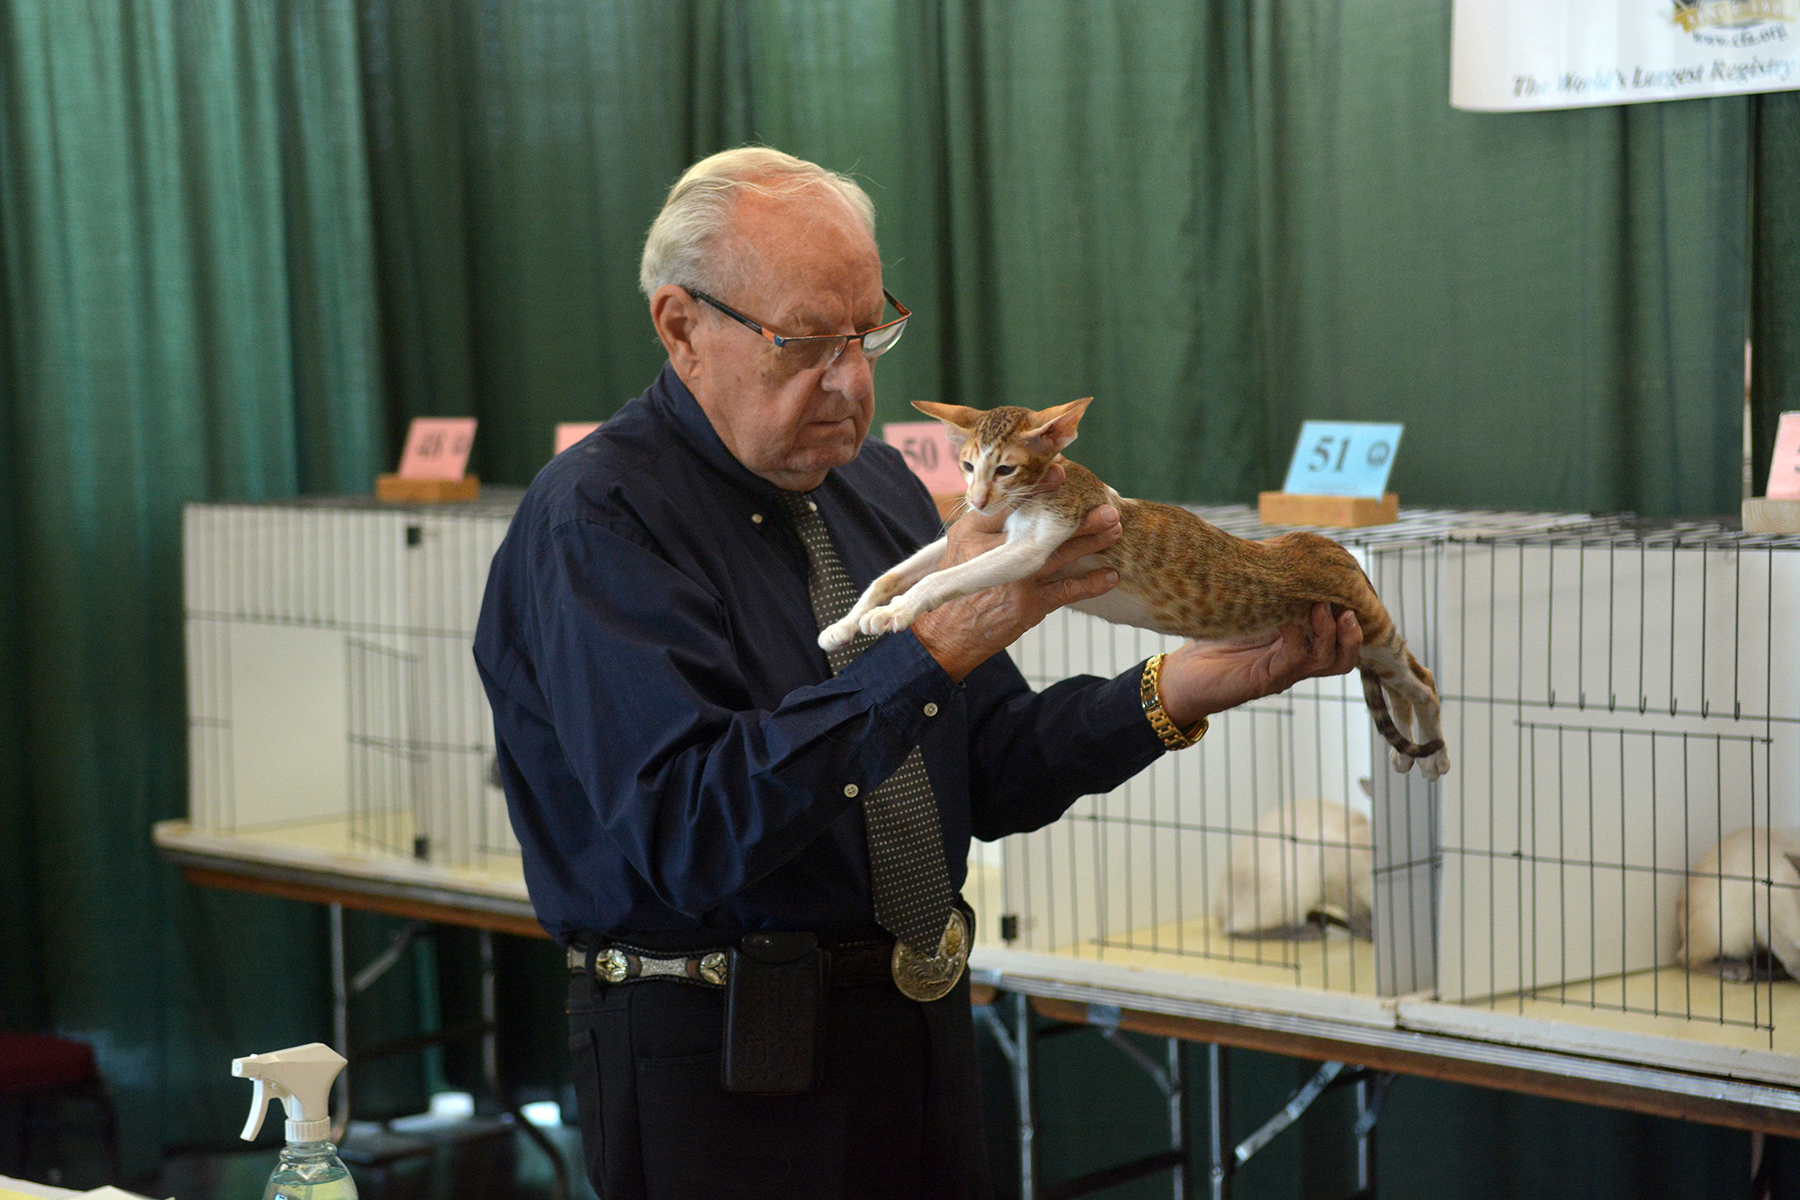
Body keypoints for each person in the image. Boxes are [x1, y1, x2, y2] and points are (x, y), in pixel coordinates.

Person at [472, 146, 1361, 1200]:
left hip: (919, 1034)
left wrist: (1181, 688)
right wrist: (931, 647)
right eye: (804, 341)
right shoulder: (601, 519)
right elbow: (689, 829)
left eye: (868, 333)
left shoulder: (877, 486)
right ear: (681, 327)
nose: (850, 380)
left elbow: (984, 769)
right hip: (720, 1068)